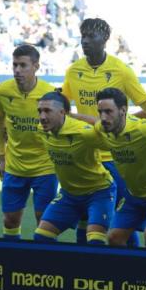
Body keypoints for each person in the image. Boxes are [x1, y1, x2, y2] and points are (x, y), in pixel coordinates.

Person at [61, 18, 146, 244]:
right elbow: (61, 106)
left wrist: (124, 122)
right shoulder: (74, 71)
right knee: (85, 218)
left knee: (122, 223)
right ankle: (88, 269)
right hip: (85, 158)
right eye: (83, 36)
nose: (85, 41)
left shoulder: (121, 70)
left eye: (91, 36)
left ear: (105, 39)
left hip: (116, 158)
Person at [94, 88, 146, 246]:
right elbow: (92, 123)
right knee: (114, 238)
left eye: (108, 111)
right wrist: (70, 115)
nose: (103, 117)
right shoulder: (103, 128)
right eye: (100, 112)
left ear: (123, 110)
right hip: (134, 195)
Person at [0, 45, 57, 240]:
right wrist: (2, 158)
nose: (17, 70)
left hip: (45, 168)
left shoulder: (50, 93)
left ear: (36, 66)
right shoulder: (3, 91)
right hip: (15, 167)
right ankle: (13, 262)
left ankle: (46, 268)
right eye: (14, 65)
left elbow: (61, 128)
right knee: (10, 220)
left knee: (44, 223)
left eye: (23, 65)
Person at [34, 91, 115, 244]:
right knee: (42, 237)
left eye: (47, 111)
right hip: (69, 195)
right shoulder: (41, 130)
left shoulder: (83, 132)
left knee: (95, 242)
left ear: (62, 112)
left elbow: (114, 143)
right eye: (40, 111)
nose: (42, 117)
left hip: (98, 193)